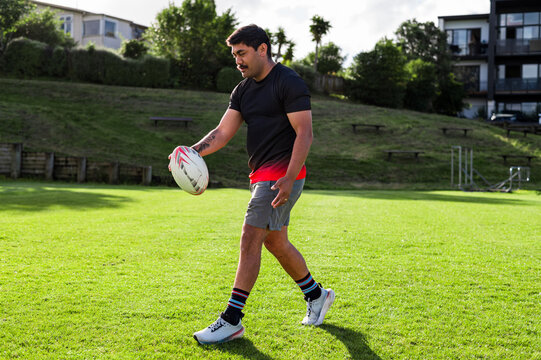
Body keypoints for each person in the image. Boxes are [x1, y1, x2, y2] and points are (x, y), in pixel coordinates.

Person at [189, 24, 334, 345]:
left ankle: (231, 319)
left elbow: (304, 133)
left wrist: (287, 177)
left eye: (242, 53)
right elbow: (222, 133)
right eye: (234, 55)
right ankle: (317, 295)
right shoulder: (242, 91)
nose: (237, 61)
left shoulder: (289, 81)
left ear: (262, 49)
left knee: (249, 237)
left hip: (283, 174)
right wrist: (191, 151)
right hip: (261, 176)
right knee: (276, 243)